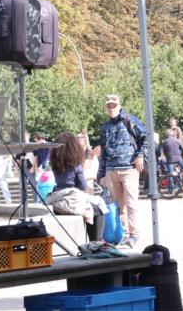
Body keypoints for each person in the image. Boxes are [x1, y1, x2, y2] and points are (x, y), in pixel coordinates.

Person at [97, 94, 148, 250]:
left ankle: (134, 234)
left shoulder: (129, 120)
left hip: (129, 168)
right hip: (111, 170)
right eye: (109, 106)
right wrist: (101, 174)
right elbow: (104, 152)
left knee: (131, 203)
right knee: (118, 206)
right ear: (106, 108)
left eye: (114, 105)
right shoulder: (105, 127)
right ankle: (122, 234)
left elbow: (146, 136)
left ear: (119, 106)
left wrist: (140, 155)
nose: (111, 108)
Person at [48, 132, 107, 242]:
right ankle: (96, 242)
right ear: (73, 147)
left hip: (58, 198)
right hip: (72, 199)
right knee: (99, 207)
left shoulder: (55, 164)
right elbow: (82, 185)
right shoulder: (76, 165)